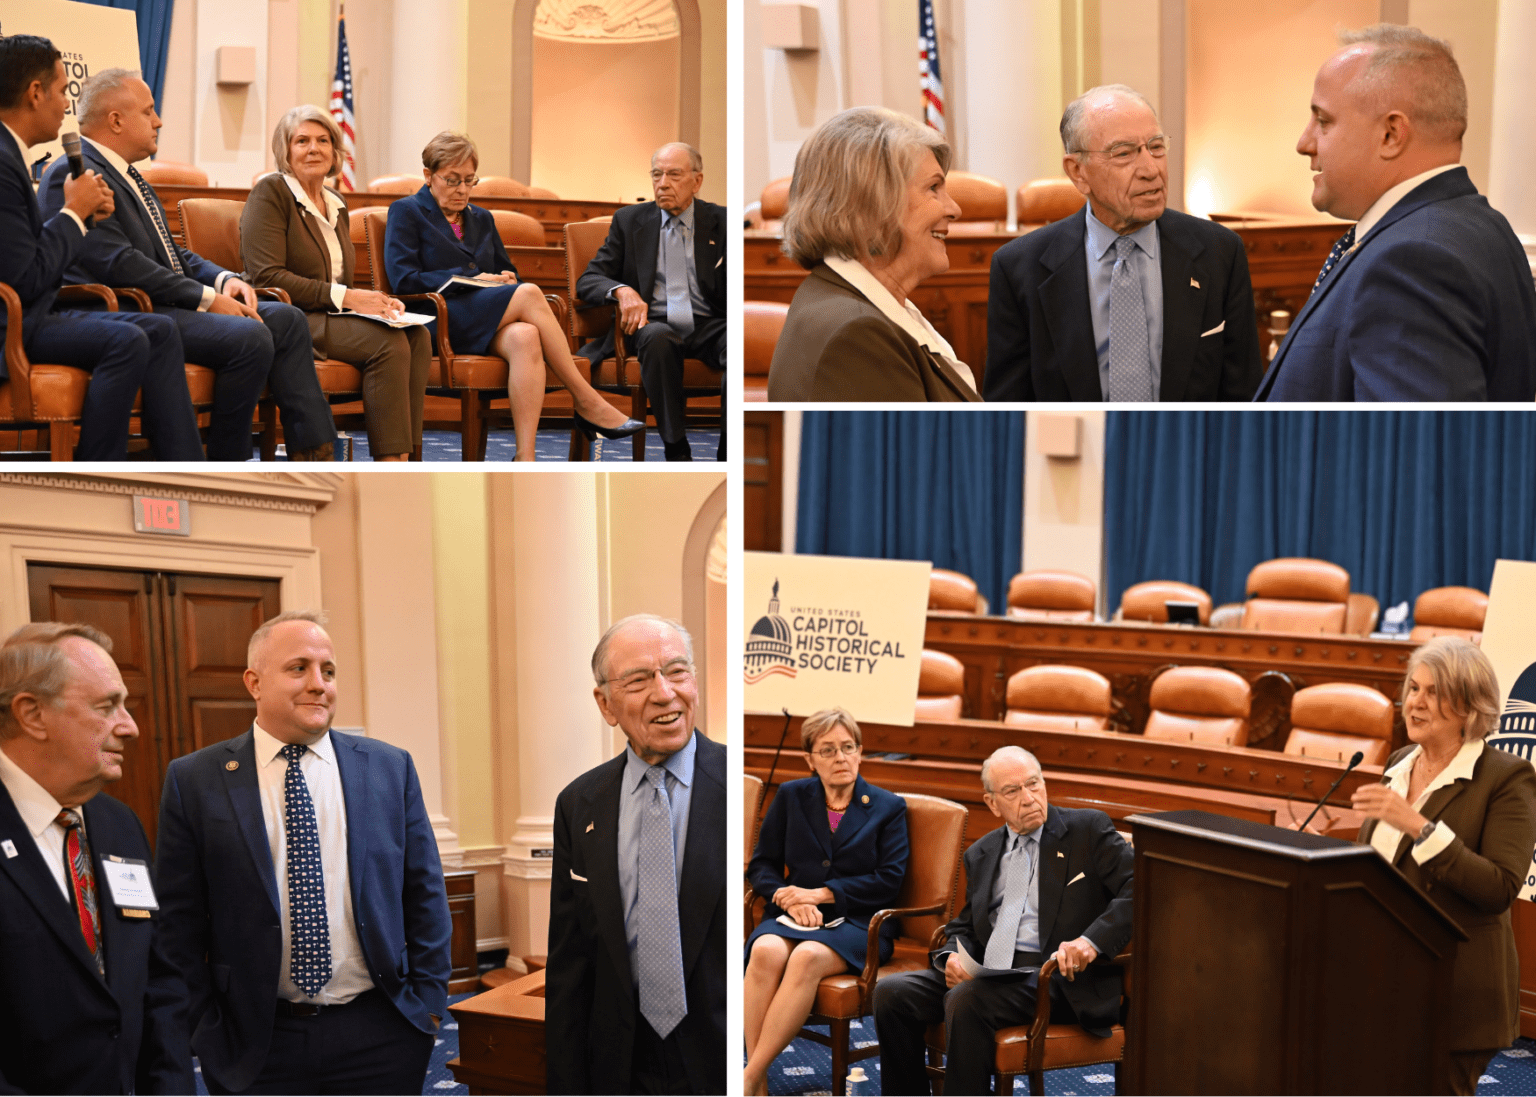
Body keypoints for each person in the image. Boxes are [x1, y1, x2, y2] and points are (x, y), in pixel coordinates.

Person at [154, 610, 452, 1094]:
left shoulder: (389, 769)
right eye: (299, 668)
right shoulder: (195, 781)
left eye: (328, 671)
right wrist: (203, 1028)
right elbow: (177, 923)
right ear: (254, 682)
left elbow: (425, 894)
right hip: (255, 1040)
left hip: (382, 1030)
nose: (319, 684)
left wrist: (428, 1006)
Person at [40, 69, 338, 462]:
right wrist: (205, 298)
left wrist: (223, 278)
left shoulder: (128, 173)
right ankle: (228, 458)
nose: (158, 121)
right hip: (127, 307)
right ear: (115, 121)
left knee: (285, 318)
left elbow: (173, 252)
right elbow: (118, 263)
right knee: (249, 337)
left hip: (163, 300)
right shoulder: (77, 173)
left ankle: (313, 448)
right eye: (149, 112)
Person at [1258, 25, 1536, 401]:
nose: (1304, 143)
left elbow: (1415, 454)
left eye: (1323, 121)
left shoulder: (1412, 261)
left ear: (1391, 134)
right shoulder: (1480, 226)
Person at [873, 745, 1133, 1096]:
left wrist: (1091, 941)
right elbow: (964, 927)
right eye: (1012, 791)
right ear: (992, 803)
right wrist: (950, 956)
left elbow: (1140, 888)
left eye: (1034, 784)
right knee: (891, 993)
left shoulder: (1087, 829)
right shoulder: (981, 852)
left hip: (1058, 978)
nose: (1028, 798)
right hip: (993, 974)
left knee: (966, 999)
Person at [0, 622, 193, 1094]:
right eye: (107, 707)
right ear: (33, 714)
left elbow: (157, 980)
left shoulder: (119, 825)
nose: (130, 726)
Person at [986, 85, 1262, 402]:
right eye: (1124, 154)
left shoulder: (1220, 253)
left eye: (1156, 147)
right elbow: (1007, 407)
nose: (1151, 170)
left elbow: (1243, 394)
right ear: (1077, 172)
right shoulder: (1019, 268)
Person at [0, 35, 203, 460]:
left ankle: (182, 467)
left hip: (33, 310)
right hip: (12, 324)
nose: (66, 105)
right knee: (126, 340)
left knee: (158, 330)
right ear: (35, 94)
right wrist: (73, 214)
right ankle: (96, 471)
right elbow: (25, 277)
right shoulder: (3, 161)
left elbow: (29, 257)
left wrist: (81, 215)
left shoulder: (12, 155)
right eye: (61, 91)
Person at [547, 615, 726, 1094]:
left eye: (677, 671)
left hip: (718, 1056)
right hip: (617, 1061)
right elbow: (570, 961)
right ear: (605, 704)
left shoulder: (743, 789)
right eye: (640, 679)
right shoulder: (577, 804)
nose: (665, 693)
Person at [1351, 636, 1536, 1095]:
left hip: (1458, 990)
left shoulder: (1505, 777)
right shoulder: (1398, 765)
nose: (1415, 702)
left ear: (1469, 706)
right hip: (1388, 980)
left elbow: (1498, 887)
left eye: (1433, 693)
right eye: (1413, 688)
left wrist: (1417, 826)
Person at [242, 106, 431, 461]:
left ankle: (409, 456)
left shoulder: (337, 202)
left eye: (323, 140)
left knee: (417, 336)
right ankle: (391, 460)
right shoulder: (271, 193)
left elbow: (338, 276)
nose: (313, 148)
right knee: (386, 344)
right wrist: (350, 298)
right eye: (302, 141)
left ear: (334, 152)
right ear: (285, 150)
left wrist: (377, 304)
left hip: (327, 312)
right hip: (287, 316)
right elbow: (266, 276)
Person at [743, 707, 908, 1097]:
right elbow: (763, 864)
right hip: (792, 915)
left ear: (861, 752)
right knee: (765, 950)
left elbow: (889, 880)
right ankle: (760, 1079)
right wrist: (785, 896)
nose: (841, 758)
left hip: (858, 924)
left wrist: (820, 893)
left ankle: (750, 1074)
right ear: (810, 759)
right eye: (829, 750)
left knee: (807, 957)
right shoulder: (791, 795)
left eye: (848, 747)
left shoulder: (888, 807)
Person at [765, 107, 982, 403]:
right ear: (873, 204)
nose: (954, 209)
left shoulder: (854, 305)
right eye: (933, 188)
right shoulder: (856, 336)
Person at [575, 143, 726, 461]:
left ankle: (729, 450)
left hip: (709, 324)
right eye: (657, 174)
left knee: (740, 343)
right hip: (652, 324)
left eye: (674, 174)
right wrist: (622, 291)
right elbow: (589, 280)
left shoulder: (721, 222)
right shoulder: (629, 221)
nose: (663, 183)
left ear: (697, 181)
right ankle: (676, 446)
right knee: (658, 339)